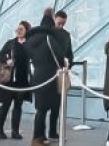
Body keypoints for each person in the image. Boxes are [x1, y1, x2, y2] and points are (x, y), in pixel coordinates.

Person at [27, 9, 67, 146]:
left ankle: (41, 136)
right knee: (45, 109)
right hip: (50, 76)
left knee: (40, 109)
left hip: (37, 76)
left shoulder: (31, 40)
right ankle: (36, 138)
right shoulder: (50, 38)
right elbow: (60, 56)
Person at [0, 21, 32, 140]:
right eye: (17, 29)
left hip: (22, 81)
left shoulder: (29, 44)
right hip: (9, 80)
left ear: (26, 31)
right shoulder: (10, 43)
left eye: (21, 29)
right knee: (5, 105)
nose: (18, 31)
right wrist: (7, 61)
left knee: (18, 106)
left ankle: (15, 131)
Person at [48, 10, 73, 140]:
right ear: (54, 19)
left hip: (61, 72)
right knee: (45, 105)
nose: (61, 25)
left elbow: (69, 52)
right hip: (49, 72)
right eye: (59, 23)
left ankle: (52, 131)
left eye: (63, 23)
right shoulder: (48, 33)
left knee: (57, 104)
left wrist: (69, 64)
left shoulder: (66, 35)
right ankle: (42, 134)